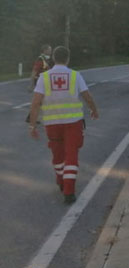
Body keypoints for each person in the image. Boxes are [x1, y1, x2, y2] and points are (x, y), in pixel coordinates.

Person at [28, 46, 99, 204]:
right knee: (71, 155)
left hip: (52, 125)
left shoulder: (44, 77)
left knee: (58, 156)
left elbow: (35, 103)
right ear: (68, 59)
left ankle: (61, 180)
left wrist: (32, 126)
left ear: (53, 58)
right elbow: (87, 96)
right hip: (73, 124)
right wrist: (94, 110)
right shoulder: (75, 75)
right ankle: (69, 191)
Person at [25, 44, 53, 123]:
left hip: (44, 83)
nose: (51, 51)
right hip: (39, 83)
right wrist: (31, 85)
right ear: (45, 50)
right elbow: (34, 71)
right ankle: (32, 118)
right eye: (49, 50)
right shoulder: (40, 59)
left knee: (41, 101)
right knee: (39, 101)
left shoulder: (46, 60)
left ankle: (32, 117)